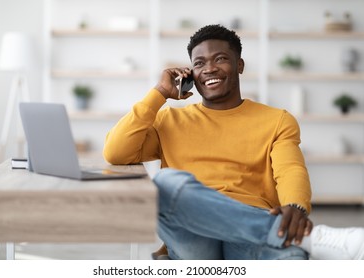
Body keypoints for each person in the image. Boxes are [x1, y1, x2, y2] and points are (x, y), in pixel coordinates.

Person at [103, 24, 364, 260]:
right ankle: (312, 240)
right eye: (199, 63)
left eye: (220, 59)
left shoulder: (277, 120)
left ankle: (290, 238)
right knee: (164, 183)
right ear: (191, 74)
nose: (209, 69)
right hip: (193, 234)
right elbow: (116, 152)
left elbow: (290, 170)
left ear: (239, 65)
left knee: (291, 261)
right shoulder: (169, 119)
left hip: (250, 228)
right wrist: (159, 94)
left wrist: (295, 207)